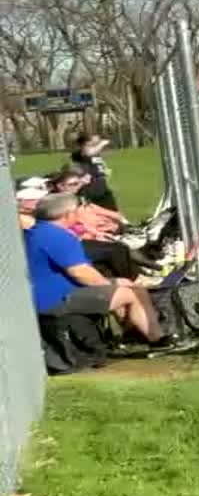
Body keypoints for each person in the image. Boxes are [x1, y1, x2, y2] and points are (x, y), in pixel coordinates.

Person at [25, 193, 163, 342]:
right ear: (68, 214)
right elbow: (80, 273)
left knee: (134, 288)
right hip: (55, 299)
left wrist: (113, 283)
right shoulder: (57, 236)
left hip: (49, 293)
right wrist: (110, 284)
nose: (83, 211)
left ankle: (135, 333)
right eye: (80, 208)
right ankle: (158, 339)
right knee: (131, 294)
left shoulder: (37, 231)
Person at [68, 131, 119, 212]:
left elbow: (99, 165)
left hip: (103, 191)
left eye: (96, 143)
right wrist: (102, 143)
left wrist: (104, 171)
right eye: (92, 144)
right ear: (83, 145)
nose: (96, 146)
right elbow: (89, 153)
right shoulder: (80, 154)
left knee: (113, 214)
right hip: (89, 193)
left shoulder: (95, 155)